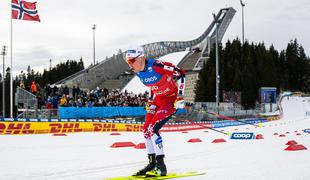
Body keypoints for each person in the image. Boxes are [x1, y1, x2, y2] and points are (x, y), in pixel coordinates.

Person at [125, 46, 186, 177]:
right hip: (158, 99)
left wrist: (180, 96)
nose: (130, 64)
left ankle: (161, 166)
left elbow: (180, 73)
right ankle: (152, 164)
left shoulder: (157, 66)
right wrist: (151, 100)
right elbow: (153, 86)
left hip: (170, 99)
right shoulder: (137, 71)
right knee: (146, 129)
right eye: (128, 62)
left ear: (141, 58)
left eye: (132, 61)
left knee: (153, 129)